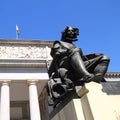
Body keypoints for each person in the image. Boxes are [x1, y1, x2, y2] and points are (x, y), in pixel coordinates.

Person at [47, 26, 110, 104]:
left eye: (73, 31)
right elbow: (55, 55)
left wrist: (93, 56)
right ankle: (87, 76)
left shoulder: (74, 46)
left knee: (104, 58)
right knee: (75, 51)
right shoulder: (58, 43)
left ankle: (96, 78)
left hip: (78, 69)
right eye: (70, 31)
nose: (72, 33)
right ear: (64, 33)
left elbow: (80, 59)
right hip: (67, 72)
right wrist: (66, 51)